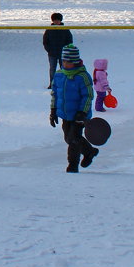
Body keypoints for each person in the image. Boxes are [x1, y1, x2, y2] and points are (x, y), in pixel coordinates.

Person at [50, 44, 98, 173]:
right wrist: (53, 110)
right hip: (65, 114)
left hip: (79, 115)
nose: (65, 64)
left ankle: (72, 166)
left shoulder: (82, 76)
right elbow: (55, 93)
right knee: (68, 138)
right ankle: (89, 151)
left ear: (75, 61)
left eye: (69, 62)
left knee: (73, 140)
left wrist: (82, 112)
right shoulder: (59, 75)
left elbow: (88, 96)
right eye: (64, 61)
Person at [42, 13, 73, 88]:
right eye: (55, 20)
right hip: (52, 53)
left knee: (64, 69)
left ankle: (64, 83)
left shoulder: (65, 30)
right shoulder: (49, 30)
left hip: (63, 54)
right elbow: (45, 41)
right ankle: (52, 83)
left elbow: (69, 41)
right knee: (52, 69)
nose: (56, 22)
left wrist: (66, 51)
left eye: (58, 20)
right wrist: (49, 50)